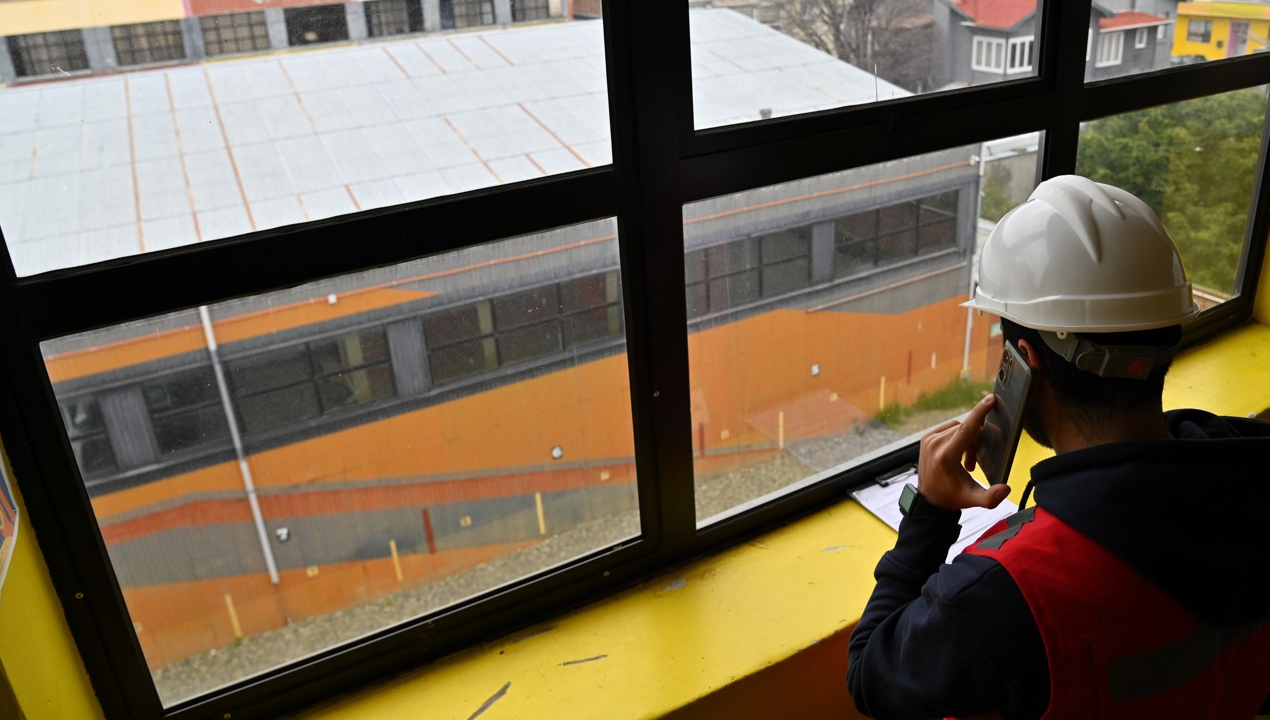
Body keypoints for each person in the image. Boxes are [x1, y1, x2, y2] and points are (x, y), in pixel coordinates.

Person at [845, 175, 1270, 719]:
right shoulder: (1250, 473)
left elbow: (868, 675)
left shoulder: (1003, 595)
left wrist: (929, 513)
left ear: (1025, 360)